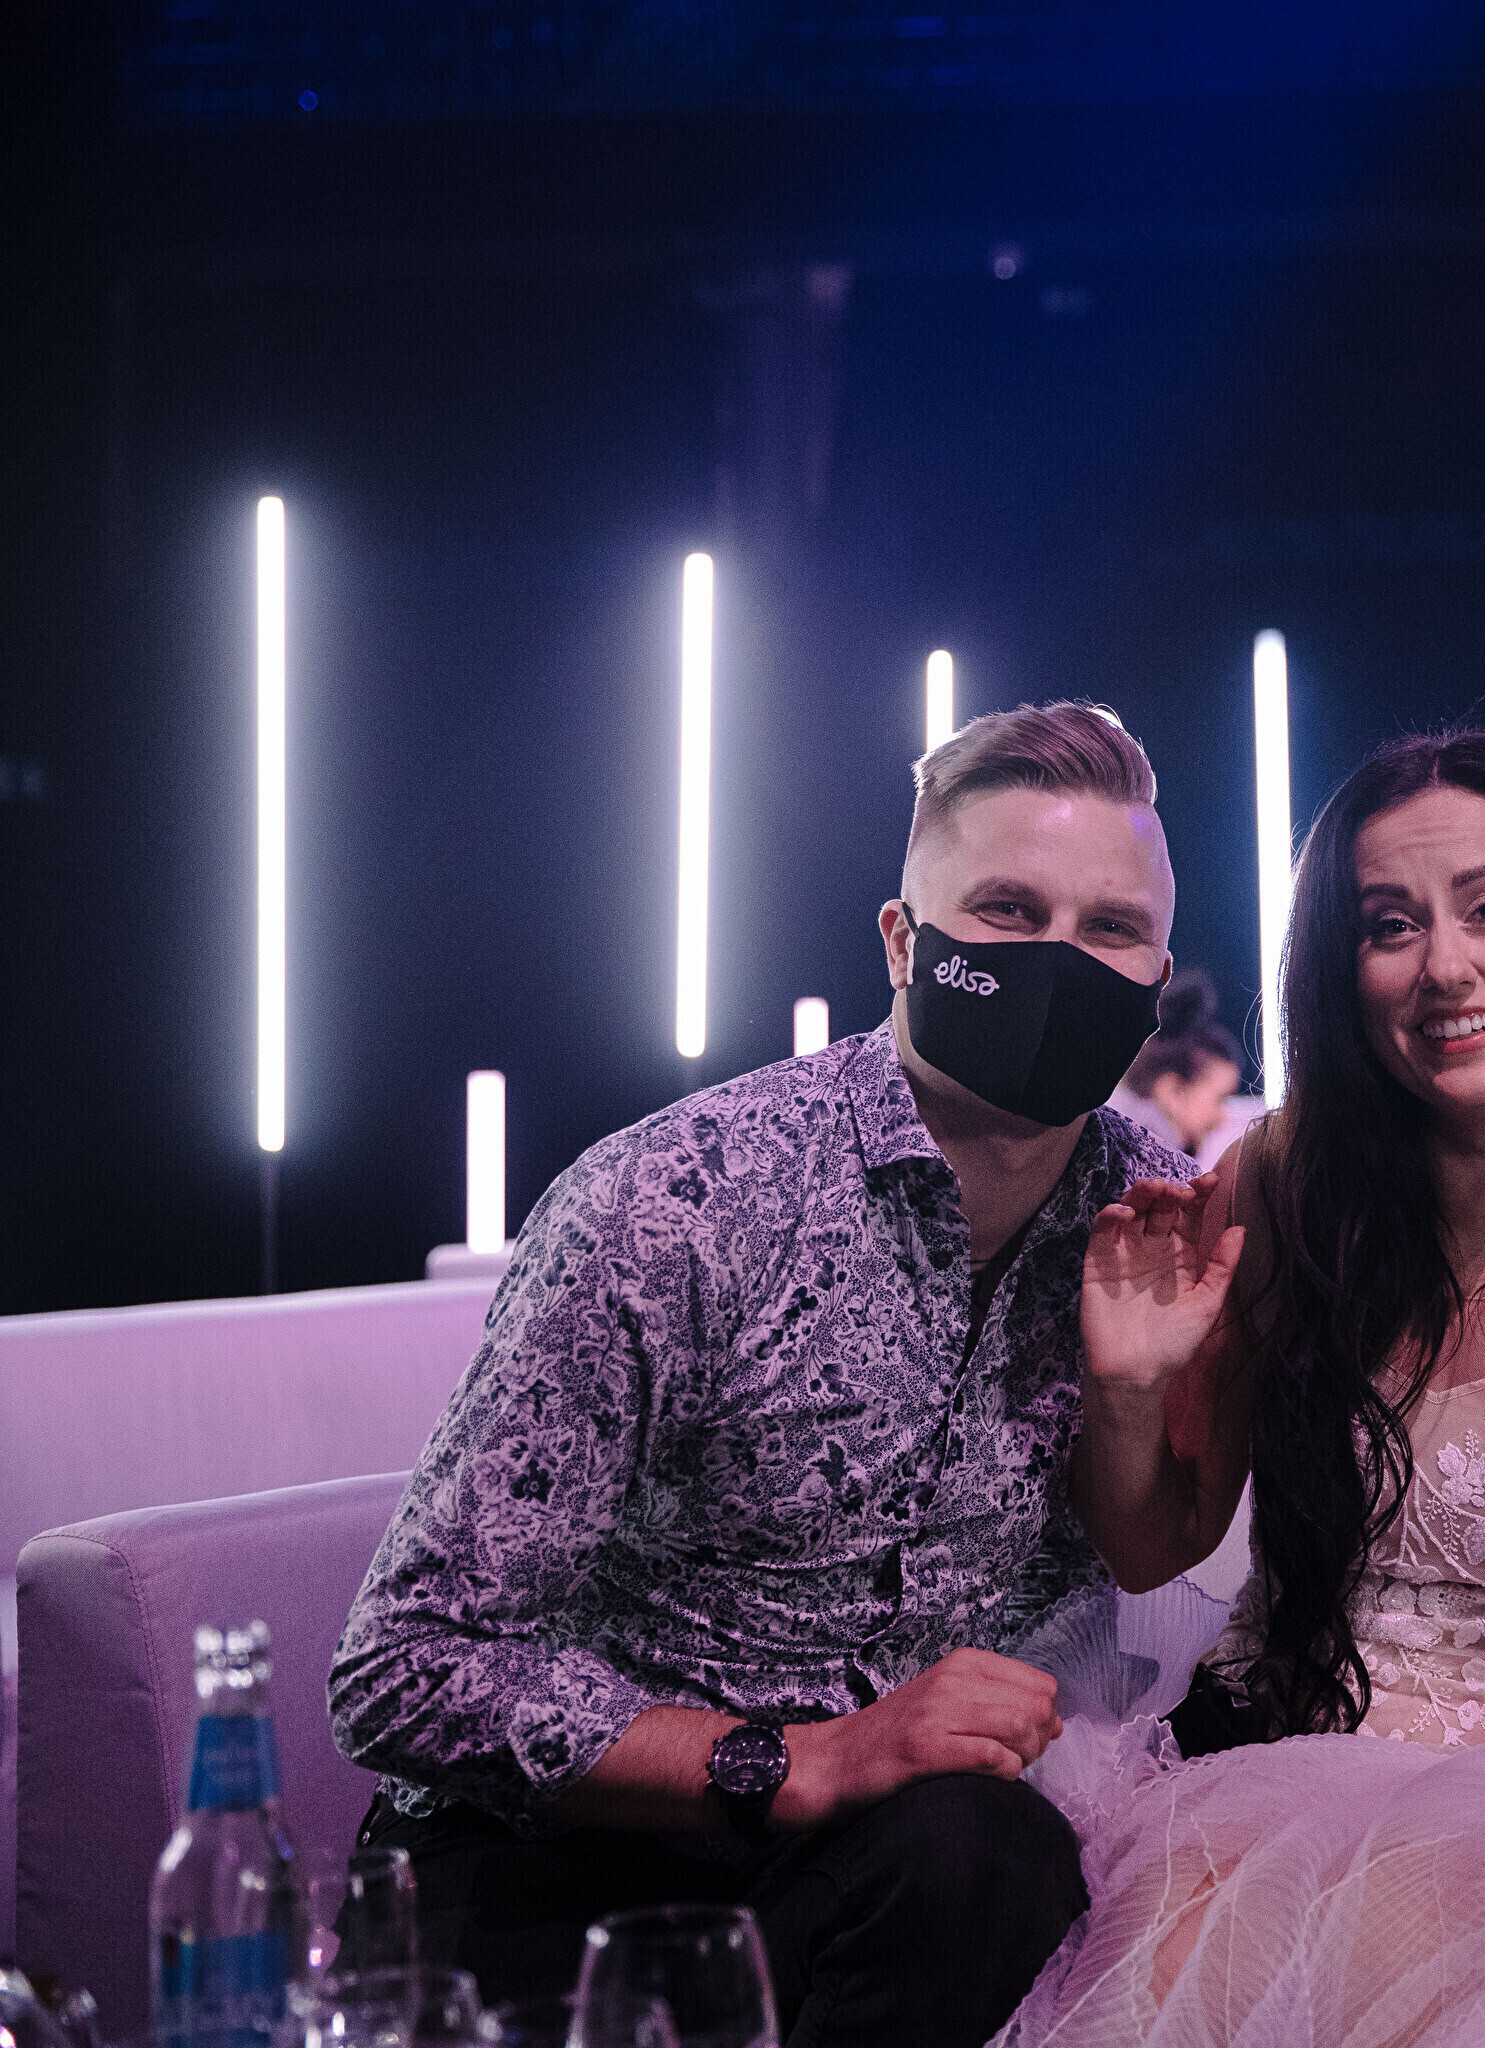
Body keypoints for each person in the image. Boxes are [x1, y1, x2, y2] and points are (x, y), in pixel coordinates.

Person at [331, 703, 1194, 2047]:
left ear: (1157, 977)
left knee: (1002, 1856)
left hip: (904, 1870)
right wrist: (796, 1759)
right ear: (904, 942)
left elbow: (1153, 1554)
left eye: (1110, 929)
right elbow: (403, 1667)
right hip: (567, 1865)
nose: (1058, 963)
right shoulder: (678, 1200)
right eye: (1009, 911)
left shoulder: (1157, 1217)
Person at [1001, 729, 1485, 2046]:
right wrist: (1128, 1386)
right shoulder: (1276, 1183)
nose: (1444, 967)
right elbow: (1153, 1545)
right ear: (1341, 968)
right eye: (1389, 924)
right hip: (1271, 1785)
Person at [1108, 967, 1248, 1161]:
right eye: (1220, 1099)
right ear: (1172, 1092)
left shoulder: (1112, 1135)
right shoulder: (1151, 1161)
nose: (1223, 1119)